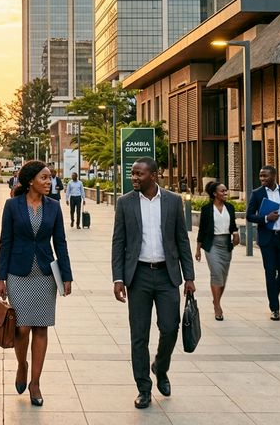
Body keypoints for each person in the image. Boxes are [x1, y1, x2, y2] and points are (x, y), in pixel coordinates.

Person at [112, 157, 195, 410]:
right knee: (139, 335)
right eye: (133, 174)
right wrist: (118, 278)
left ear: (154, 176)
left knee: (170, 328)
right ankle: (144, 389)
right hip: (138, 276)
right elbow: (119, 242)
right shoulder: (125, 203)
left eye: (140, 174)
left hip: (167, 275)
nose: (134, 178)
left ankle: (161, 365)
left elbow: (182, 240)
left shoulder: (172, 201)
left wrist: (189, 276)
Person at [0, 160, 72, 408]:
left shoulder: (54, 207)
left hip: (46, 274)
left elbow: (60, 242)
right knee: (22, 328)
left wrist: (67, 275)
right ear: (31, 181)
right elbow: (5, 242)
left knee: (41, 328)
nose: (49, 182)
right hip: (18, 273)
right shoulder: (12, 206)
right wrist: (0, 278)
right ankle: (22, 365)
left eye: (50, 178)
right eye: (44, 178)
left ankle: (35, 383)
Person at [246, 165, 280, 321]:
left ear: (274, 176)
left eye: (265, 176)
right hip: (267, 239)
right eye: (260, 176)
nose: (262, 179)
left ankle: (272, 295)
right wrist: (265, 218)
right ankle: (275, 308)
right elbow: (249, 216)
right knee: (270, 272)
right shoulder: (257, 194)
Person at [195, 182, 239, 320]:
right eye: (222, 191)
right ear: (214, 193)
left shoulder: (230, 208)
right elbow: (202, 229)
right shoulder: (207, 209)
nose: (225, 193)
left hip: (226, 244)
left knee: (223, 275)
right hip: (211, 244)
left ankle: (216, 300)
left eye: (226, 191)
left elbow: (232, 225)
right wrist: (198, 249)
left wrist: (236, 233)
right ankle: (217, 307)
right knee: (216, 273)